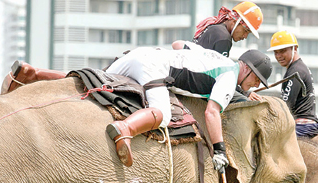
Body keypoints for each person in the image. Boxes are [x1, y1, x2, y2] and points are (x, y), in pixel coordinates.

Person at [104, 42, 271, 168]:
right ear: (247, 68)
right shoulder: (229, 77)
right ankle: (126, 128)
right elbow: (211, 113)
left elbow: (177, 44)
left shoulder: (216, 57)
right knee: (163, 115)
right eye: (256, 79)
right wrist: (219, 151)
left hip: (138, 54)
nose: (257, 84)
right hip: (152, 68)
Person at [266, 30, 318, 138]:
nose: (279, 56)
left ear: (294, 48)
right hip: (309, 124)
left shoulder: (295, 71)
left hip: (302, 125)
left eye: (282, 51)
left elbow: (285, 106)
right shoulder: (298, 68)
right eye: (275, 52)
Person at [190, 1, 263, 57]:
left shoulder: (214, 27)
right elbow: (219, 73)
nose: (245, 36)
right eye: (246, 30)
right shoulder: (224, 38)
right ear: (235, 21)